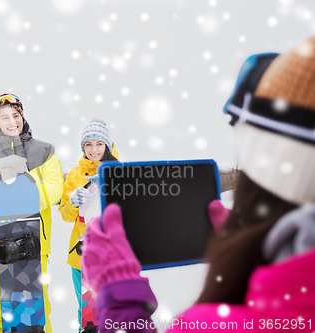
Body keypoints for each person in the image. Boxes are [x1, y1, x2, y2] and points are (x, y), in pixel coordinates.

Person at [81, 37, 315, 332]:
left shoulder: (210, 325)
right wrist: (252, 259)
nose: (93, 149)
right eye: (87, 144)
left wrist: (120, 302)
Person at [0, 93, 64, 333]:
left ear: (22, 116)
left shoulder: (45, 151)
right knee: (1, 311)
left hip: (33, 244)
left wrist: (24, 178)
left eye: (16, 115)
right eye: (4, 117)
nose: (12, 122)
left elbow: (54, 191)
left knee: (36, 314)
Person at [58, 118, 119, 330]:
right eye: (88, 144)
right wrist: (74, 202)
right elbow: (66, 216)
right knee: (89, 312)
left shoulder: (119, 172)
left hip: (113, 254)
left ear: (108, 145)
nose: (94, 150)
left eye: (99, 144)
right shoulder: (75, 174)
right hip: (82, 254)